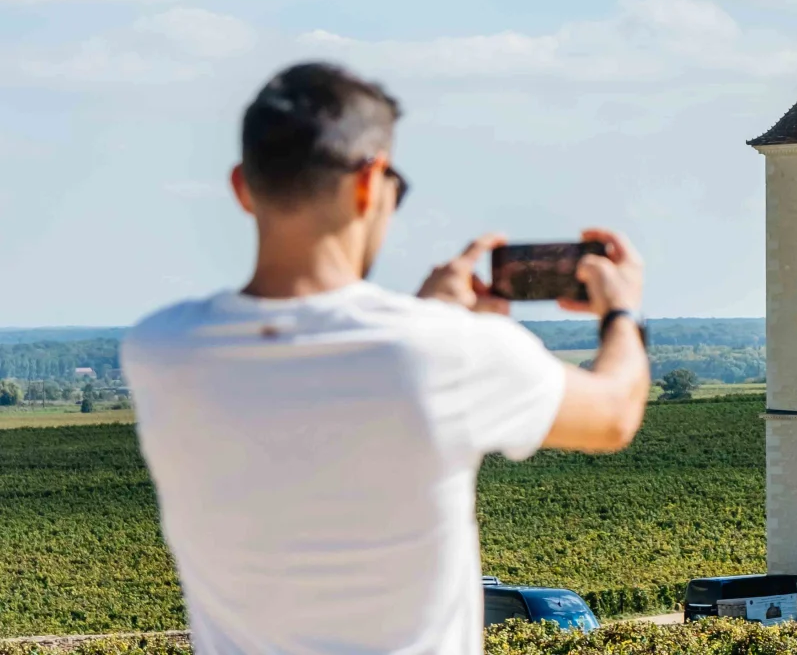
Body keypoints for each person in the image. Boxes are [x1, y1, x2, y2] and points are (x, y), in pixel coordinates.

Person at [122, 62, 651, 655]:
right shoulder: (447, 353)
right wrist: (620, 310)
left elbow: (334, 365)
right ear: (370, 181)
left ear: (243, 187)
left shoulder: (158, 351)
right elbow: (614, 413)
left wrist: (431, 318)